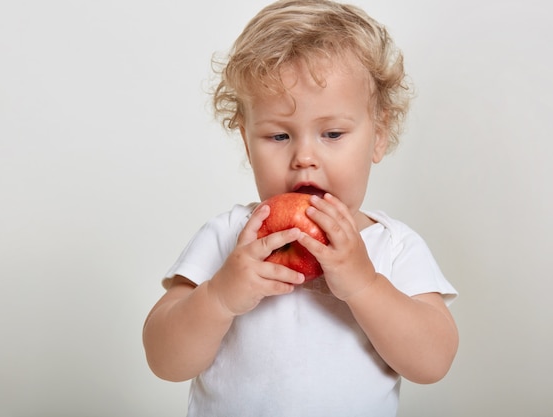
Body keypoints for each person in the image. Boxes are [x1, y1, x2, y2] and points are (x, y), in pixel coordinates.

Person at [143, 1, 458, 416]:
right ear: (246, 140)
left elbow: (433, 362)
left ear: (378, 136)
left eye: (331, 133)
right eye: (278, 136)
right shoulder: (230, 238)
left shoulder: (392, 247)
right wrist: (220, 296)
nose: (304, 157)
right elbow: (164, 360)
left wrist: (365, 286)